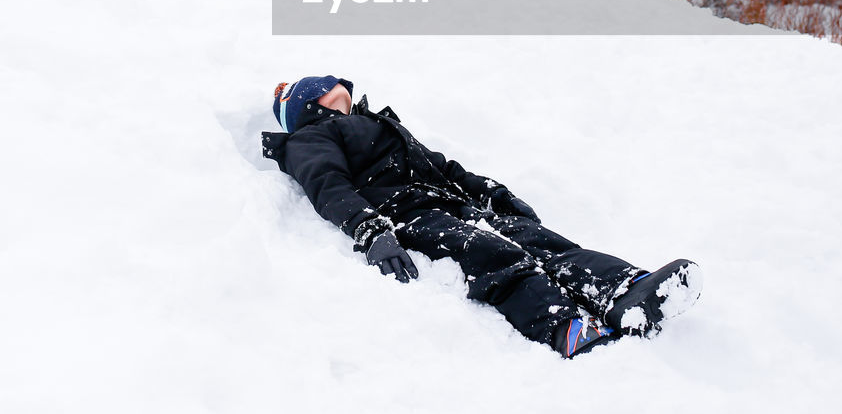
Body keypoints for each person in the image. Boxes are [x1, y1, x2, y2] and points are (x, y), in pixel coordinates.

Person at [262, 74, 702, 358]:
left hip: (451, 203)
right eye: (332, 95)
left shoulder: (382, 125)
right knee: (491, 254)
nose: (345, 98)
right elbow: (328, 186)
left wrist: (492, 193)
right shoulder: (311, 137)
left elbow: (444, 168)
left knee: (538, 241)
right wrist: (371, 229)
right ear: (311, 106)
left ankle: (625, 290)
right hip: (407, 216)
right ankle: (568, 327)